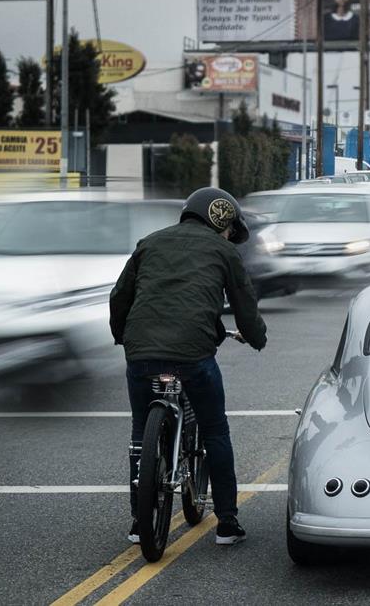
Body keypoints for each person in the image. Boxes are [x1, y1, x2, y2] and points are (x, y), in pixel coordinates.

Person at [110, 188, 267, 547]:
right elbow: (245, 305)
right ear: (222, 222)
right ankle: (227, 523)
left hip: (141, 353)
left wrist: (123, 337)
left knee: (140, 435)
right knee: (215, 430)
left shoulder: (149, 243)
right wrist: (256, 338)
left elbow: (120, 296)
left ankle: (139, 522)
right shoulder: (224, 251)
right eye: (229, 230)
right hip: (193, 356)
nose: (229, 237)